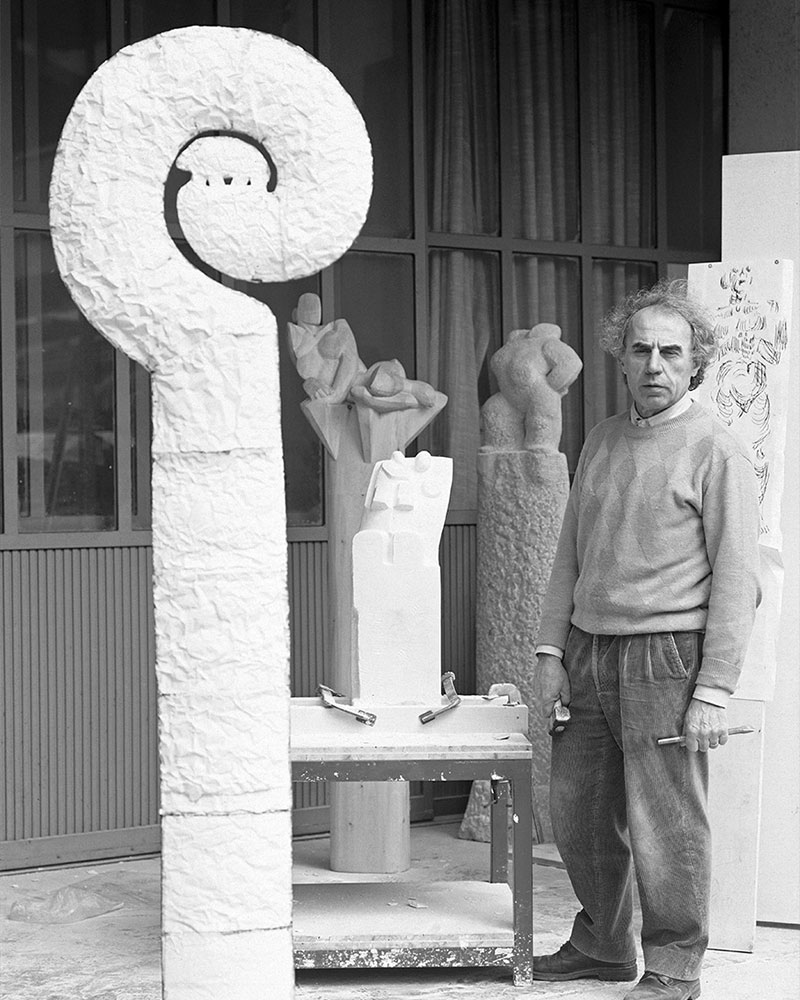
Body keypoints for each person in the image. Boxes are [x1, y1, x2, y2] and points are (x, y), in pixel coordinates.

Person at [532, 279, 762, 1000]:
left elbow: (737, 577)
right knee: (577, 815)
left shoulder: (718, 449)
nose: (655, 365)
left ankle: (674, 966)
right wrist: (549, 653)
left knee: (667, 824)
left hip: (669, 658)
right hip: (588, 653)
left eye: (671, 351)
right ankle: (602, 946)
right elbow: (568, 553)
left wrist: (714, 690)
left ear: (695, 362)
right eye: (641, 350)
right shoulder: (600, 439)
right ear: (620, 360)